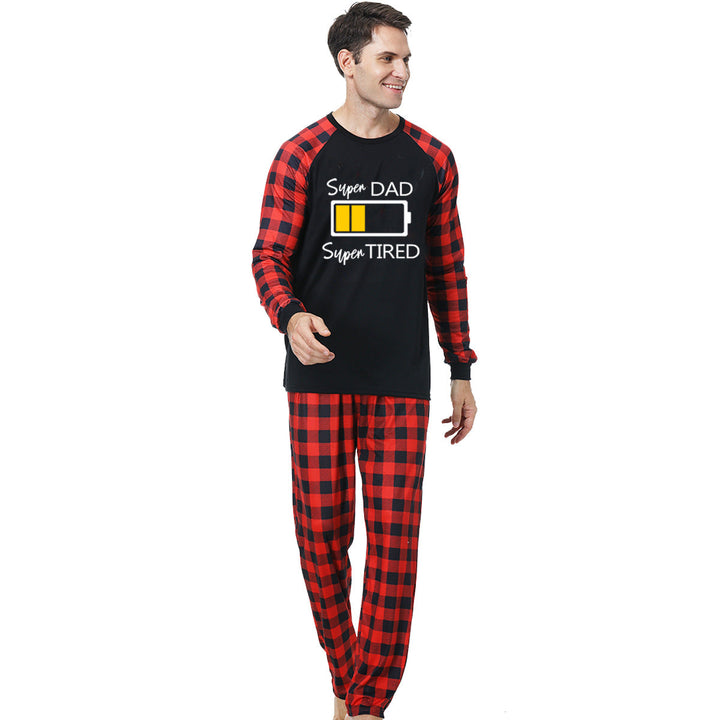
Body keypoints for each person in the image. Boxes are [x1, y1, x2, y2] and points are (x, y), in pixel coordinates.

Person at [251, 3, 477, 718]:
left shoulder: (433, 158)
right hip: (320, 379)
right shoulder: (302, 154)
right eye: (388, 58)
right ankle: (347, 677)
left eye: (406, 60)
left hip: (401, 382)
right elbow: (268, 256)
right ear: (347, 63)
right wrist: (289, 316)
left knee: (395, 549)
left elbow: (447, 270)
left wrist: (461, 367)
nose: (402, 72)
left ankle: (366, 705)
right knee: (321, 537)